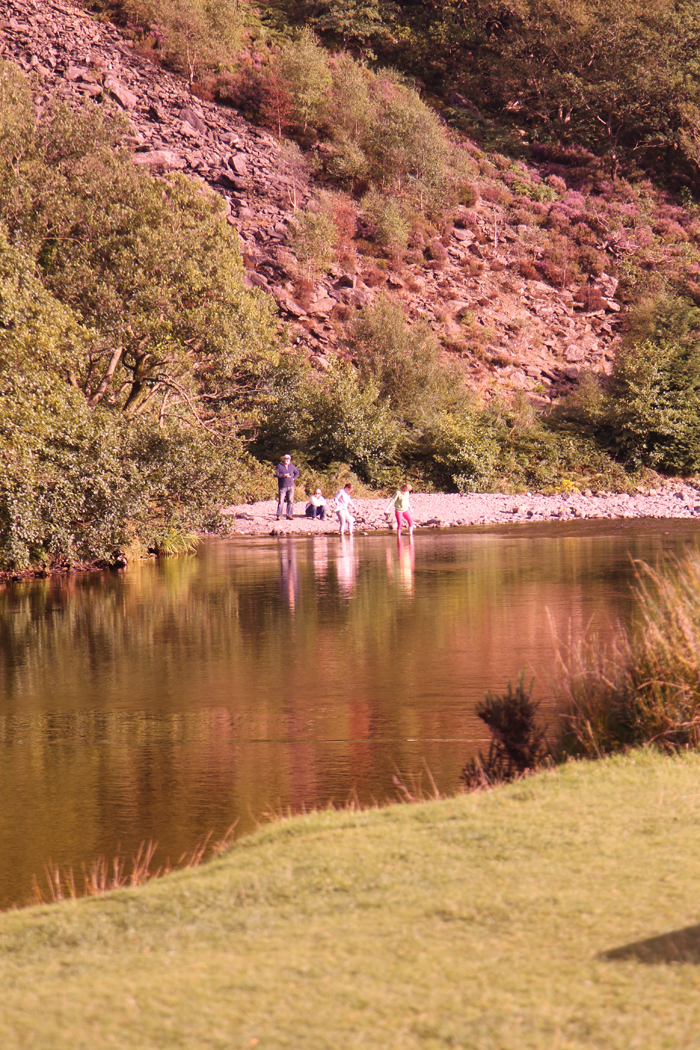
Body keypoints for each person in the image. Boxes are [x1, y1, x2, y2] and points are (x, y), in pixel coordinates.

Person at [275, 454, 300, 520]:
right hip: (282, 486)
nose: (287, 460)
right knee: (281, 501)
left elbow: (297, 472)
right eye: (286, 459)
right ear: (283, 459)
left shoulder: (292, 466)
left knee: (290, 501)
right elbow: (276, 474)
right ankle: (279, 515)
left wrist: (294, 478)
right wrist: (284, 475)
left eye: (288, 459)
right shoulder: (279, 466)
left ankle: (289, 515)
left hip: (291, 486)